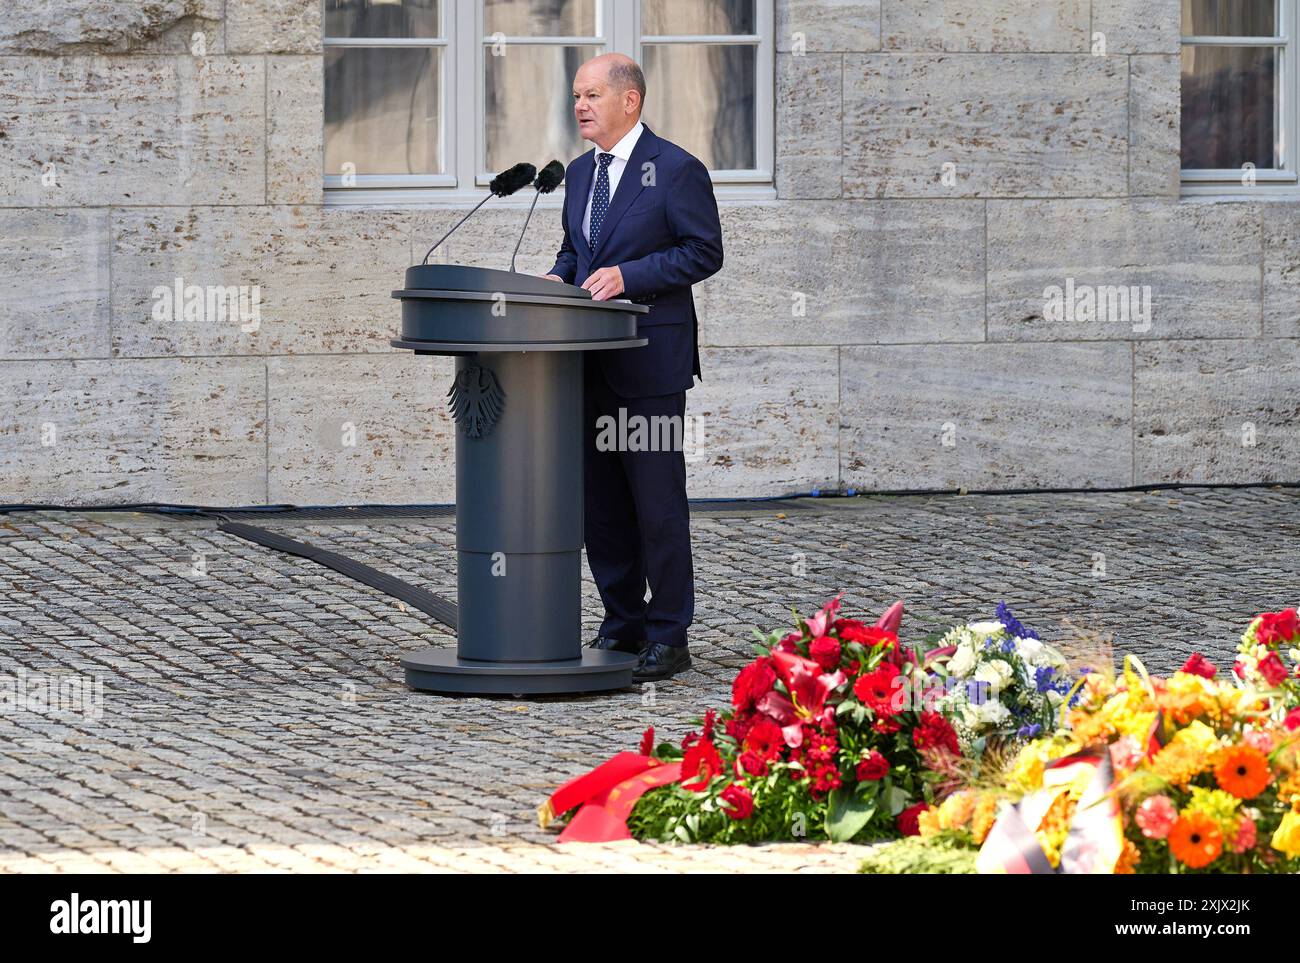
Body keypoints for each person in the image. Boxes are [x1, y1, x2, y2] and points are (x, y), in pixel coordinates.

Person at [542, 53, 723, 682]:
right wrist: (554, 279)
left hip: (650, 366)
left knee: (655, 502)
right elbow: (576, 250)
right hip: (588, 362)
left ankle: (669, 632)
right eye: (575, 95)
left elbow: (704, 251)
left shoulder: (676, 170)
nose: (580, 106)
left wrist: (631, 277)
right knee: (602, 506)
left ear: (630, 101)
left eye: (592, 94)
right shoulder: (576, 174)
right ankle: (622, 619)